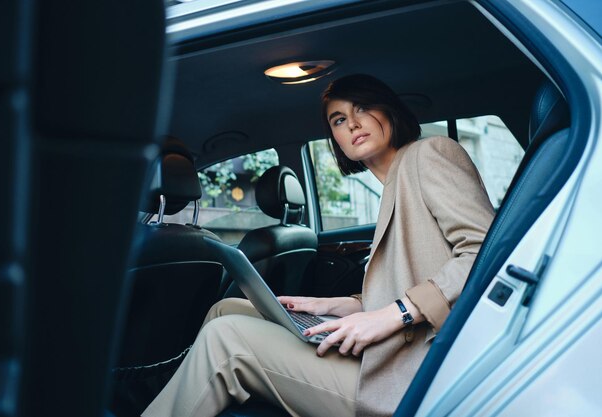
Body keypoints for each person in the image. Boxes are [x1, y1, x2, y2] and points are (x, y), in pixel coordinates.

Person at [141, 74, 495, 417]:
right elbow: (411, 280)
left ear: (390, 111)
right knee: (228, 310)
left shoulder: (430, 153)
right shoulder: (393, 187)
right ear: (335, 139)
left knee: (226, 337)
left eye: (364, 108)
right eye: (340, 119)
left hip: (418, 377)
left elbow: (487, 256)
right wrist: (334, 305)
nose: (353, 124)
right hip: (393, 354)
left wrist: (395, 314)